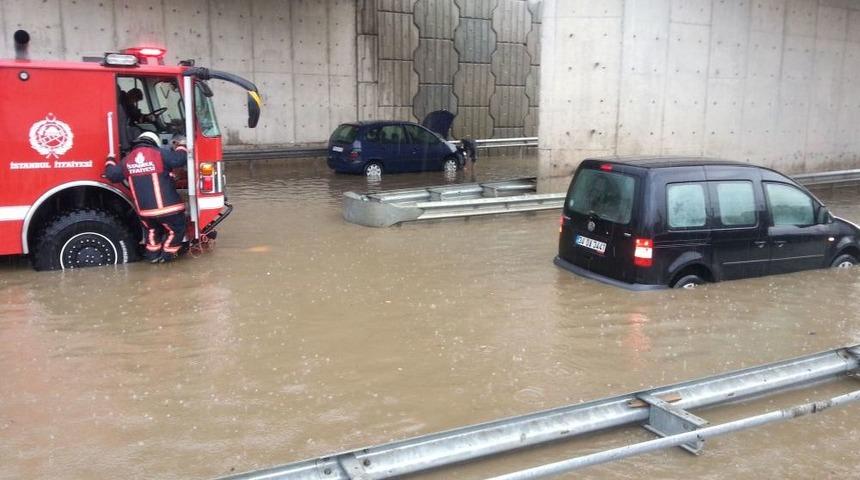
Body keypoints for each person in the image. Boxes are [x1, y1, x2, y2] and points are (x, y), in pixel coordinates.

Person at [104, 132, 188, 263]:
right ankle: (167, 257)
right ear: (154, 143)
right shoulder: (160, 154)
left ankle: (152, 257)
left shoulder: (127, 160)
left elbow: (111, 175)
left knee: (153, 231)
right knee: (177, 229)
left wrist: (110, 159)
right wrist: (182, 146)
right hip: (168, 209)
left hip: (145, 212)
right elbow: (179, 160)